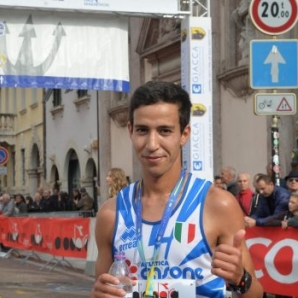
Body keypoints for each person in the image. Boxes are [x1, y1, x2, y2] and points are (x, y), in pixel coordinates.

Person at [91, 81, 262, 297]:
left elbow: (256, 292)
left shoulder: (219, 205)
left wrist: (240, 279)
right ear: (130, 131)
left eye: (164, 131)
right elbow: (102, 288)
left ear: (184, 134)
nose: (152, 144)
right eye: (143, 130)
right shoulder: (111, 214)